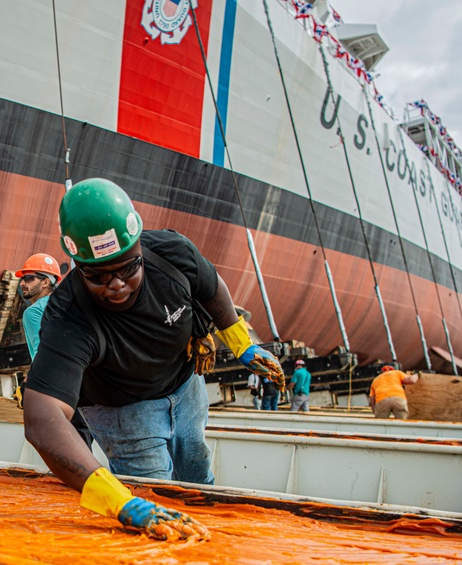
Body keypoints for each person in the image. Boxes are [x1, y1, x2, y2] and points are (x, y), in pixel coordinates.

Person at [23, 178, 285, 540]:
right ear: (78, 265)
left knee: (196, 473)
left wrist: (242, 342)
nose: (115, 284)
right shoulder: (68, 318)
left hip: (184, 386)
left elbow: (211, 289)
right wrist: (116, 499)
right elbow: (42, 418)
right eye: (98, 276)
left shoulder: (173, 253)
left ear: (139, 247)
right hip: (121, 410)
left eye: (127, 268)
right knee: (154, 493)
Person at [13, 253, 95, 449]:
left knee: (67, 442)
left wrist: (28, 383)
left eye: (29, 278)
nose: (22, 283)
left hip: (60, 386)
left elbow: (43, 353)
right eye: (23, 278)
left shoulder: (33, 312)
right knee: (85, 436)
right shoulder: (68, 305)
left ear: (45, 282)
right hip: (86, 381)